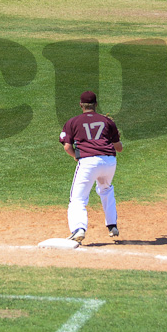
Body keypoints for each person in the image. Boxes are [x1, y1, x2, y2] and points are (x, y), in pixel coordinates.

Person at [58, 90, 122, 244]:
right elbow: (119, 148)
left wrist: (76, 156)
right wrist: (115, 134)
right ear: (96, 104)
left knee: (78, 199)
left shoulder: (73, 122)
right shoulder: (107, 122)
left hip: (88, 162)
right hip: (109, 161)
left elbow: (67, 147)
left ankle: (79, 229)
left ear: (81, 105)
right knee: (106, 189)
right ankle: (112, 226)